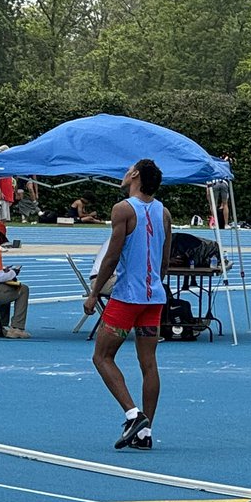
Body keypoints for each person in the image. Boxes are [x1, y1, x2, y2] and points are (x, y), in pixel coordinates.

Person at [84, 159, 172, 451]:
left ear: (135, 175)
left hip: (127, 297)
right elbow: (163, 260)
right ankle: (146, 434)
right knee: (148, 363)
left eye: (127, 169)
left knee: (102, 356)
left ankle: (133, 415)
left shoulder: (123, 209)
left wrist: (95, 292)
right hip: (153, 298)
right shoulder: (164, 213)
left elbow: (112, 256)